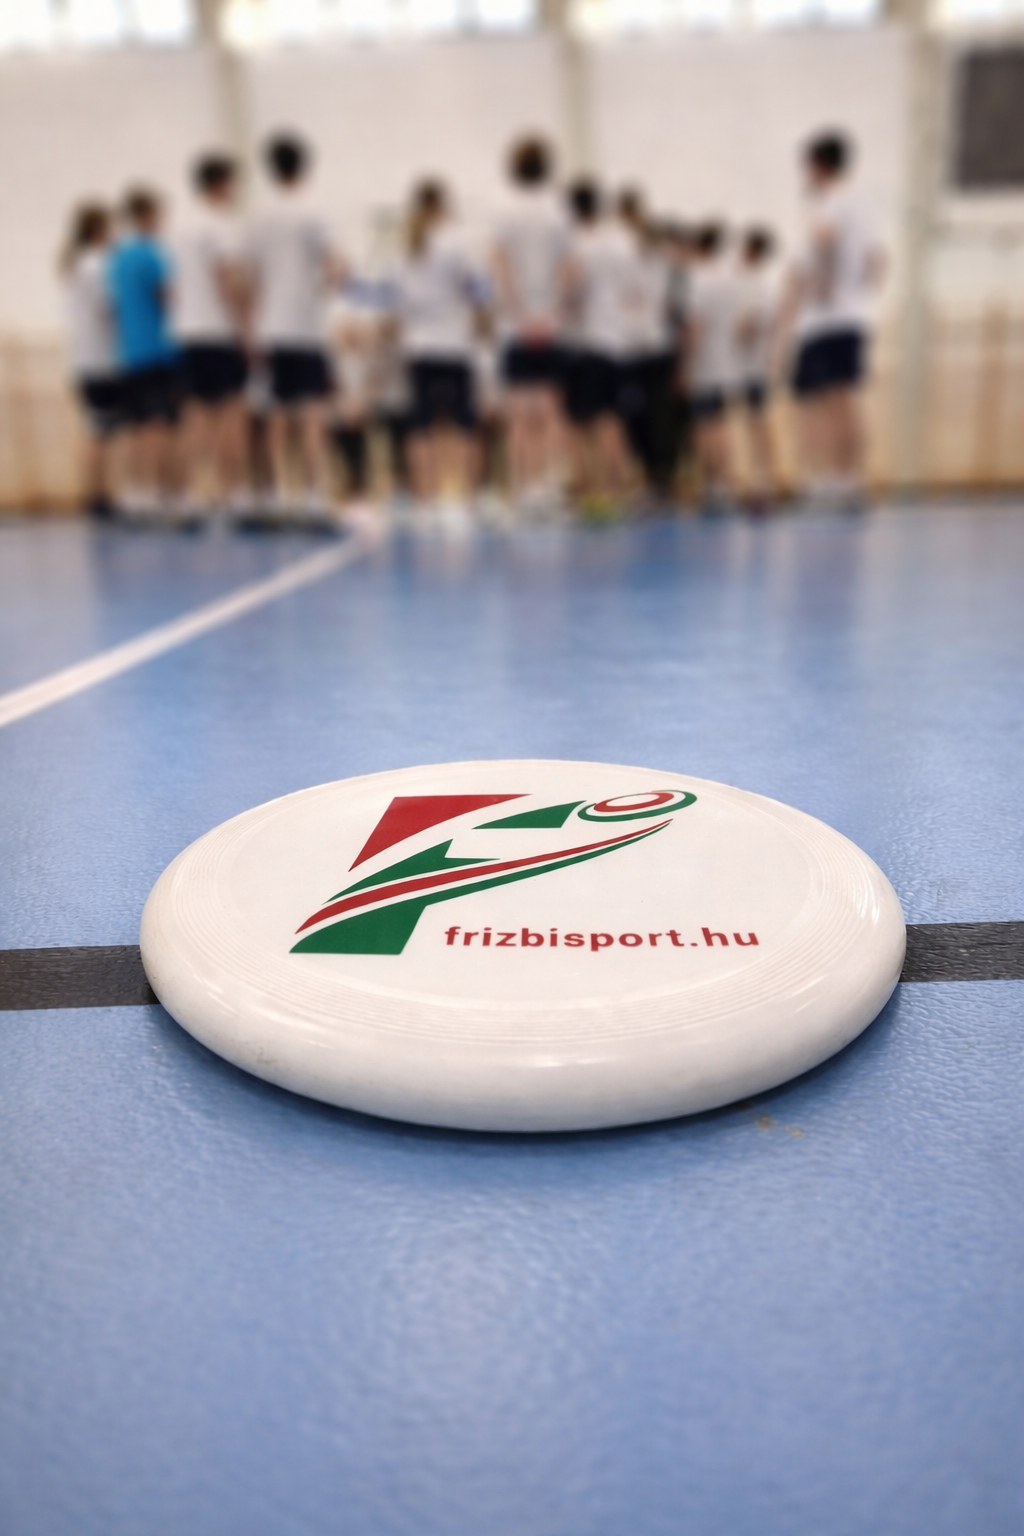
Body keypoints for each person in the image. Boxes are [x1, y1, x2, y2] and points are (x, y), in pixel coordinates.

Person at [782, 130, 885, 510]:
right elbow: (878, 260)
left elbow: (825, 241)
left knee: (831, 402)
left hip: (827, 320)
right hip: (852, 315)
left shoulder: (832, 203)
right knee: (843, 400)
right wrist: (861, 293)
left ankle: (834, 481)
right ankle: (847, 479)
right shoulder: (863, 205)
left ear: (818, 166)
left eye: (806, 167)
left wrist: (824, 281)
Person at [248, 132, 347, 516]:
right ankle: (312, 496)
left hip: (271, 328)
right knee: (312, 415)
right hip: (306, 329)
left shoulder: (259, 216)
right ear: (304, 167)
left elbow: (248, 275)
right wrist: (326, 287)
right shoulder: (313, 211)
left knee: (276, 416)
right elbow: (338, 267)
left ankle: (274, 496)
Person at [491, 134, 572, 510]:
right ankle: (552, 486)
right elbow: (570, 268)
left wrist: (519, 313)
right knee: (551, 411)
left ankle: (525, 489)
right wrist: (552, 311)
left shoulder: (504, 211)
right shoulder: (559, 211)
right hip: (550, 325)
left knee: (520, 415)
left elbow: (499, 264)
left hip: (517, 327)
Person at [391, 179, 484, 505]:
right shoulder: (455, 245)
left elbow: (399, 304)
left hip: (420, 346)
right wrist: (480, 320)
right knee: (464, 424)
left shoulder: (406, 250)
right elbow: (475, 289)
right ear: (442, 207)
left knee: (421, 425)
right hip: (454, 344)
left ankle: (425, 499)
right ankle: (468, 497)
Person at [172, 153, 250, 516]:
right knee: (232, 413)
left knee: (194, 417)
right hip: (218, 331)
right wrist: (246, 326)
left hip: (187, 331)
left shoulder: (180, 228)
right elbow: (226, 277)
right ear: (221, 184)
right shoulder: (219, 225)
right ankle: (233, 493)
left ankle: (188, 494)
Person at [564, 178, 636, 511]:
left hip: (586, 339)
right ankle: (617, 486)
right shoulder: (620, 241)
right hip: (616, 340)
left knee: (581, 422)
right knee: (612, 417)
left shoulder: (577, 243)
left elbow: (573, 287)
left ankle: (586, 489)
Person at [107, 187, 179, 517]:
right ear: (145, 215)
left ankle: (134, 490)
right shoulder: (151, 254)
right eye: (158, 214)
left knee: (137, 426)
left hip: (128, 351)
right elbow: (167, 296)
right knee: (158, 425)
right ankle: (154, 490)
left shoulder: (117, 257)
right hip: (155, 349)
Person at [60, 202, 120, 518]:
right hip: (100, 361)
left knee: (99, 430)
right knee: (101, 431)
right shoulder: (96, 266)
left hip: (84, 359)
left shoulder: (77, 265)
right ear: (98, 230)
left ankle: (100, 492)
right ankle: (98, 495)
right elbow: (106, 308)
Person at [618, 189, 676, 500]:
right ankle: (649, 475)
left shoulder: (657, 261)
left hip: (648, 347)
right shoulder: (635, 259)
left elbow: (657, 302)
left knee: (653, 416)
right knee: (639, 416)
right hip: (637, 347)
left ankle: (659, 476)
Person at [684, 222, 738, 512]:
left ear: (698, 247)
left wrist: (686, 363)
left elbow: (696, 325)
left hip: (705, 362)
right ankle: (724, 482)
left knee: (705, 426)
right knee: (719, 423)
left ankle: (713, 483)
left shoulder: (699, 279)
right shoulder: (729, 278)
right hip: (726, 361)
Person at [733, 227, 779, 510]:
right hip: (745, 364)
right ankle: (757, 480)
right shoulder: (746, 282)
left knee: (758, 421)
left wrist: (735, 332)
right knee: (751, 422)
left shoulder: (761, 285)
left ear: (752, 251)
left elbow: (751, 325)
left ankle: (765, 482)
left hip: (755, 364)